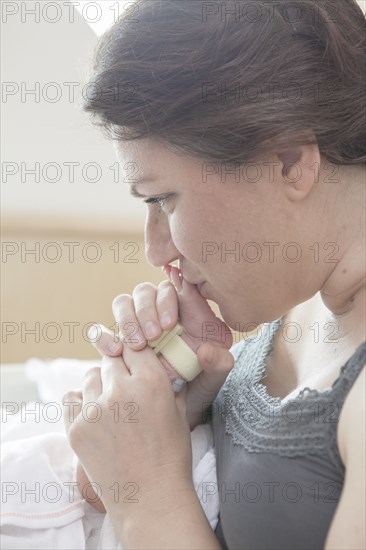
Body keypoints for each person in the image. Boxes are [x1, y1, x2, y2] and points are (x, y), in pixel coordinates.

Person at [63, 1, 366, 548]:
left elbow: (147, 503)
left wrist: (146, 497)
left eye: (162, 199)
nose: (157, 252)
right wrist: (172, 407)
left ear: (290, 162)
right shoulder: (301, 298)